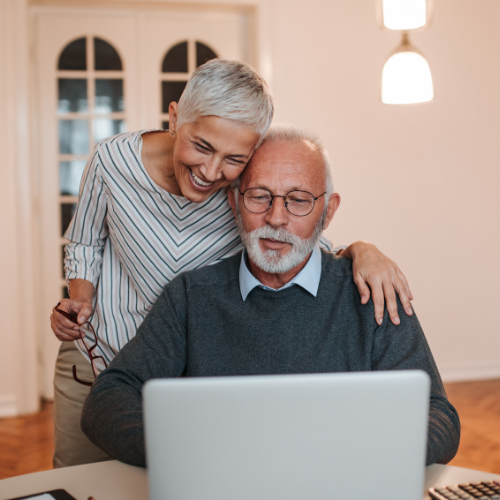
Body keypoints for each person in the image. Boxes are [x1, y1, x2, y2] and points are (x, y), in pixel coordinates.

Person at [50, 60, 413, 468]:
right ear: (174, 119)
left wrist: (363, 250)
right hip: (99, 351)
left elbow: (299, 237)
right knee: (79, 475)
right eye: (202, 146)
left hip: (178, 367)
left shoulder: (238, 194)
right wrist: (79, 301)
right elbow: (83, 242)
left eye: (234, 158)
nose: (209, 171)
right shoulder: (112, 161)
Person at [81, 125, 460, 468]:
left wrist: (347, 458)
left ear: (328, 212)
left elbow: (438, 416)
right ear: (233, 203)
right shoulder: (190, 297)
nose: (276, 218)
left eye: (298, 200)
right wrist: (192, 453)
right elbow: (106, 401)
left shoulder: (373, 293)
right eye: (260, 197)